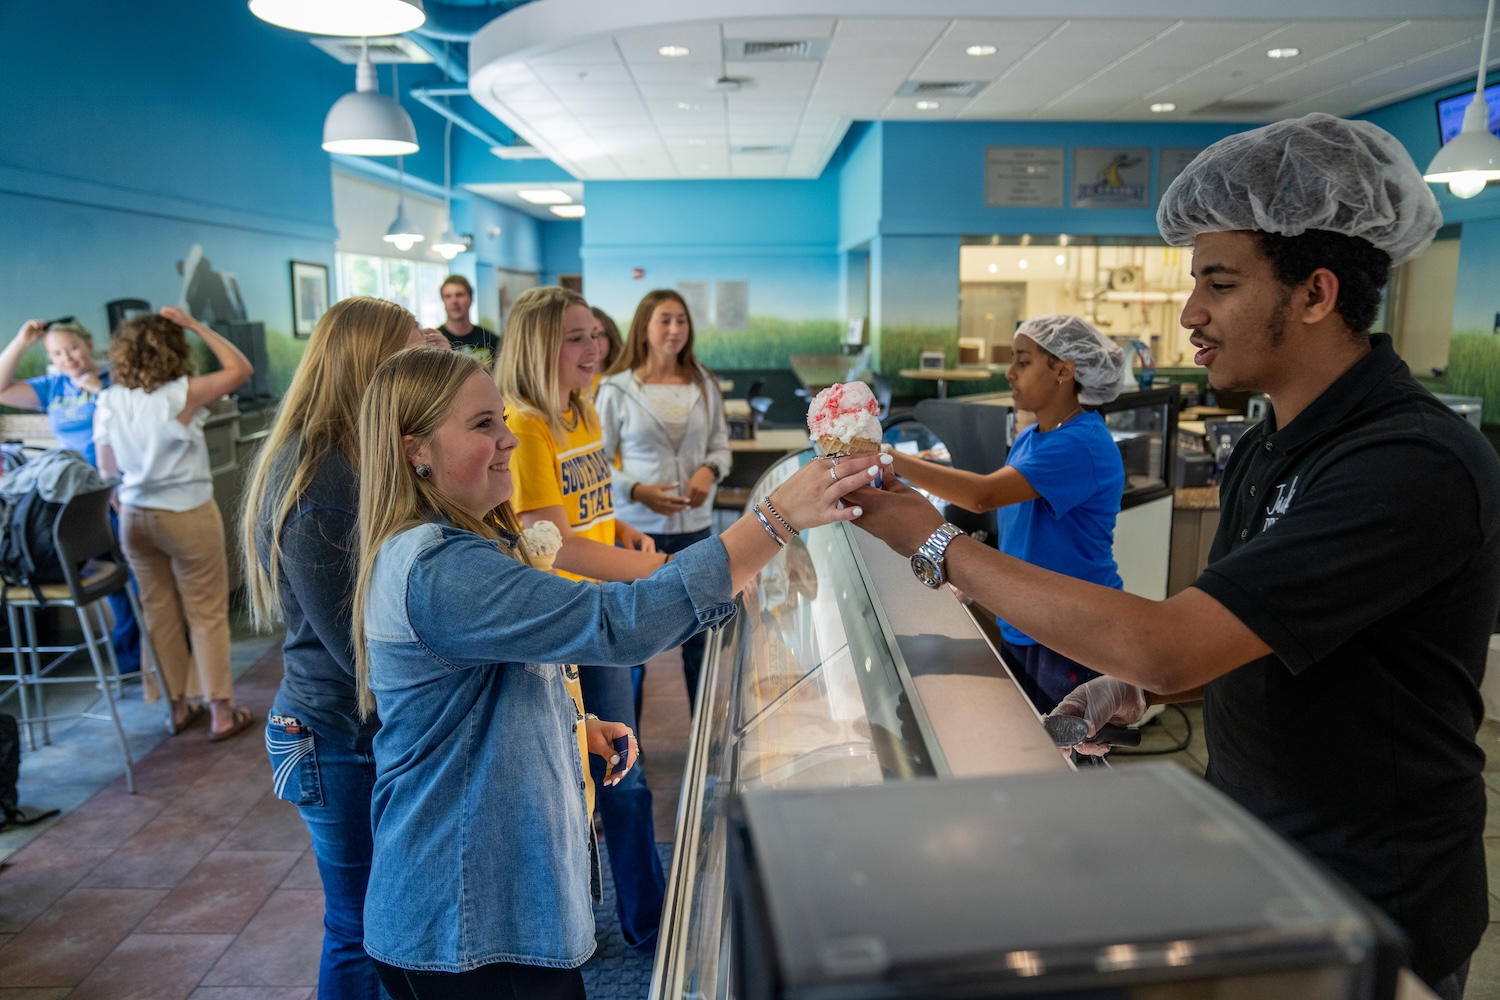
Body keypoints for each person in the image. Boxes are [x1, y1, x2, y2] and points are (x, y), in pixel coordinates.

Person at [850, 113, 1498, 998]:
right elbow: (1240, 631)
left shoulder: (1410, 462)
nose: (1190, 314)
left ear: (1315, 293)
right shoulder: (1274, 443)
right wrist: (1143, 689)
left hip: (1372, 897)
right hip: (1263, 856)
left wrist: (928, 541)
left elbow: (1173, 638)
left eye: (1219, 284)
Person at [351, 346, 879, 998]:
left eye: (502, 422)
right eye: (483, 425)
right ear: (415, 451)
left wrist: (575, 724)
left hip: (475, 912)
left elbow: (478, 688)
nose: (509, 441)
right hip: (462, 922)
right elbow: (619, 623)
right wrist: (772, 521)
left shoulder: (455, 544)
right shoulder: (439, 569)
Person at [241, 297, 448, 999]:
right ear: (370, 364)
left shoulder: (358, 454)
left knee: (382, 923)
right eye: (409, 352)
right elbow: (358, 649)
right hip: (332, 735)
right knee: (359, 930)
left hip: (352, 728)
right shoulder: (320, 477)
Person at [495, 285, 669, 951]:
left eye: (596, 334)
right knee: (612, 775)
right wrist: (661, 573)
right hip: (569, 621)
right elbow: (554, 542)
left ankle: (642, 914)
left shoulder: (581, 410)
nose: (595, 347)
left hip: (601, 608)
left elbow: (583, 511)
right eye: (576, 337)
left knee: (621, 770)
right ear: (540, 347)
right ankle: (640, 926)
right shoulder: (527, 426)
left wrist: (620, 528)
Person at [882, 315, 1124, 713]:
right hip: (1026, 618)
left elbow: (983, 495)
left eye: (1023, 362)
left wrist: (890, 458)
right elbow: (1019, 527)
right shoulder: (1032, 436)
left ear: (1064, 370)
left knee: (1062, 751)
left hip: (1070, 629)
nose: (1010, 373)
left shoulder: (1081, 444)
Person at [93, 307, 256, 740]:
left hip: (134, 517)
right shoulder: (180, 394)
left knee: (158, 613)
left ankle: (176, 708)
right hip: (186, 513)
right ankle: (221, 713)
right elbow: (241, 368)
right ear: (174, 350)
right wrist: (195, 324)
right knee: (206, 613)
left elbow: (107, 468)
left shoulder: (109, 399)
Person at [596, 289, 732, 709]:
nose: (675, 330)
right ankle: (628, 759)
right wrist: (636, 490)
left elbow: (721, 448)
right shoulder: (616, 388)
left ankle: (707, 756)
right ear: (644, 327)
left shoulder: (704, 383)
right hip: (638, 532)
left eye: (681, 321)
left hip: (695, 531)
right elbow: (598, 462)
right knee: (634, 647)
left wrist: (709, 472)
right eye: (664, 320)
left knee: (700, 645)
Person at [0, 318, 140, 673]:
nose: (68, 359)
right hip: (76, 503)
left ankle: (164, 658)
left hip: (119, 493)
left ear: (90, 344)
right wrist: (21, 342)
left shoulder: (116, 379)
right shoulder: (53, 387)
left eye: (73, 348)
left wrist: (101, 393)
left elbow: (138, 423)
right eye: (57, 353)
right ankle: (131, 663)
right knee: (115, 589)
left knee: (139, 577)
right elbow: (2, 390)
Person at [437, 275, 496, 367]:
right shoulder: (435, 342)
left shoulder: (489, 339)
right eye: (448, 296)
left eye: (459, 295)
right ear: (443, 301)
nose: (454, 301)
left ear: (471, 298)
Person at [590, 305, 624, 380]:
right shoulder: (570, 384)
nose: (596, 342)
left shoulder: (625, 378)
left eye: (601, 334)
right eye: (591, 336)